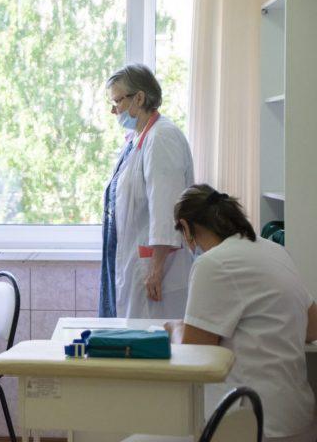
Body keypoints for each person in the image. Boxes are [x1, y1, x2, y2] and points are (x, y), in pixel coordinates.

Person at [166, 184, 317, 442]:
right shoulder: (274, 250)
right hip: (299, 419)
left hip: (255, 424)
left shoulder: (212, 263)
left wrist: (175, 328)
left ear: (186, 227)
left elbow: (195, 355)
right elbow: (312, 328)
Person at [100, 63, 195, 318]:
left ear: (139, 98)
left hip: (156, 271)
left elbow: (166, 209)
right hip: (136, 263)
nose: (113, 110)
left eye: (117, 101)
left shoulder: (162, 138)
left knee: (152, 336)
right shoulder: (137, 140)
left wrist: (156, 268)